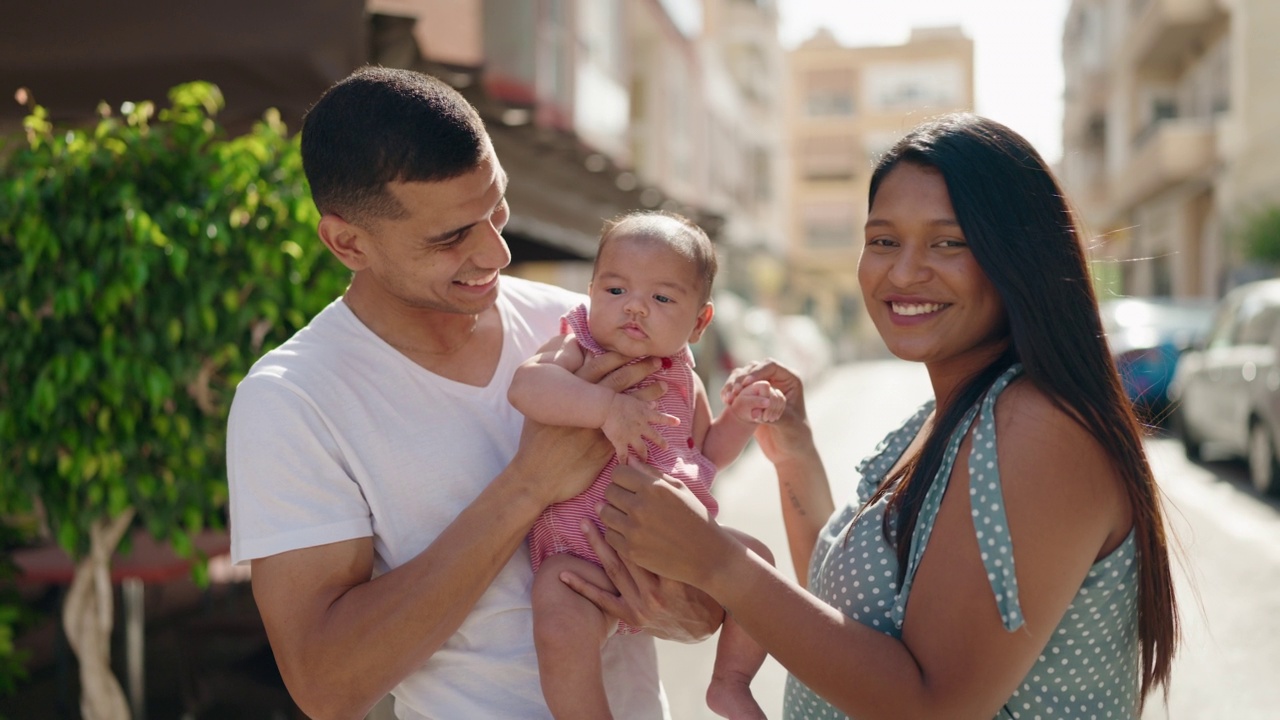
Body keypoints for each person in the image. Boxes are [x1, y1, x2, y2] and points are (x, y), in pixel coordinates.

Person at [576, 113, 1181, 719]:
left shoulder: (1034, 427)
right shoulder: (952, 412)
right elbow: (851, 616)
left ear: (1017, 257)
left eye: (948, 242)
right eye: (884, 240)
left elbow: (932, 704)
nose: (903, 272)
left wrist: (716, 562)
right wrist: (794, 451)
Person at [225, 65, 724, 720]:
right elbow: (326, 685)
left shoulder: (589, 326)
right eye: (451, 237)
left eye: (498, 208)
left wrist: (683, 603)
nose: (496, 252)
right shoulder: (294, 400)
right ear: (347, 242)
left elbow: (704, 591)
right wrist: (527, 486)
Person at [507, 211, 784, 720]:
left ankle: (730, 683)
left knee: (760, 561)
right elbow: (527, 387)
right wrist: (606, 409)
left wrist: (741, 419)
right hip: (583, 559)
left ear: (700, 322)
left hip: (677, 550)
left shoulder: (684, 381)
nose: (634, 307)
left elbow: (708, 452)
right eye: (615, 291)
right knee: (557, 612)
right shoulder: (578, 346)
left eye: (661, 298)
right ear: (590, 292)